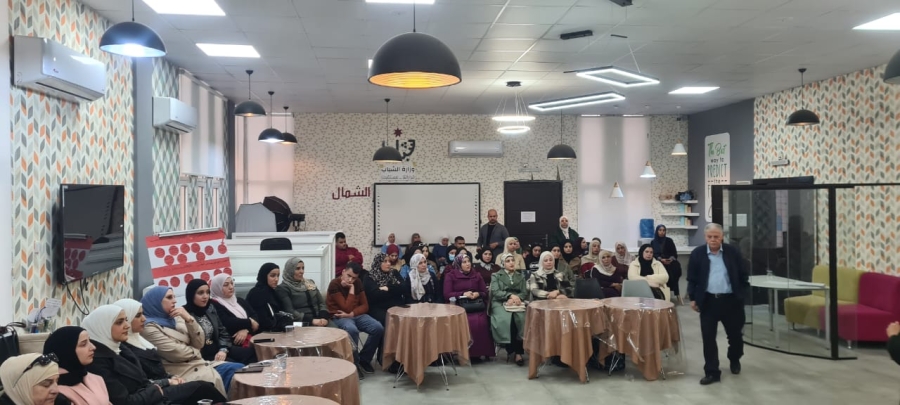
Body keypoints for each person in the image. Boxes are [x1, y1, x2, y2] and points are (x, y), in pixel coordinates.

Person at [82, 305, 226, 405]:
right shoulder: (98, 360)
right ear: (103, 327)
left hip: (153, 393)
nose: (127, 325)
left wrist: (165, 382)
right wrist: (159, 389)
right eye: (119, 322)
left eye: (126, 320)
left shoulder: (120, 348)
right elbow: (125, 401)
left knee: (207, 386)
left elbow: (143, 380)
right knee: (203, 388)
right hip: (150, 398)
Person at [139, 287, 232, 395]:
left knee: (235, 370)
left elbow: (199, 342)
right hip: (182, 372)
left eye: (174, 297)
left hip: (198, 364)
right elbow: (177, 353)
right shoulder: (148, 327)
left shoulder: (176, 317)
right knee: (220, 379)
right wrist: (196, 351)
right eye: (169, 297)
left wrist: (189, 319)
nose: (175, 301)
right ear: (156, 302)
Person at [687, 223, 749, 386]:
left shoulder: (732, 252)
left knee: (735, 337)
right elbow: (692, 278)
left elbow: (743, 274)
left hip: (731, 302)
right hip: (708, 302)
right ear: (705, 237)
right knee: (708, 338)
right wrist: (693, 298)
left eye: (716, 236)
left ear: (722, 237)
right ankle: (712, 372)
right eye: (710, 237)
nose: (713, 239)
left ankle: (734, 358)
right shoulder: (698, 254)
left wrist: (742, 294)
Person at [326, 262, 385, 377]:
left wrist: (352, 314)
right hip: (339, 316)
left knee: (378, 328)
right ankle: (354, 363)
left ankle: (364, 359)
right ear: (343, 272)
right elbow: (345, 307)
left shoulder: (357, 283)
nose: (350, 280)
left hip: (354, 314)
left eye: (354, 278)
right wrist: (352, 290)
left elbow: (365, 306)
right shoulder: (334, 284)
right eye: (348, 276)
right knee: (352, 329)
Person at [183, 279, 257, 365]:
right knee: (235, 365)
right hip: (203, 354)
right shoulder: (185, 314)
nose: (205, 296)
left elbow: (223, 332)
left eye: (207, 292)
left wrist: (223, 350)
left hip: (220, 348)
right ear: (191, 294)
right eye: (200, 293)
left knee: (252, 353)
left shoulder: (209, 309)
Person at [443, 254, 494, 361]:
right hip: (459, 306)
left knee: (481, 322)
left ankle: (479, 352)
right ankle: (464, 353)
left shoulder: (476, 275)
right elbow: (447, 294)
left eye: (469, 261)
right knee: (467, 321)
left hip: (476, 305)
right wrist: (463, 294)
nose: (468, 264)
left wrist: (477, 294)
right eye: (464, 262)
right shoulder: (451, 275)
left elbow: (485, 292)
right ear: (458, 264)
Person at [41, 326, 110, 405]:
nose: (93, 347)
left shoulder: (94, 379)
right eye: (83, 344)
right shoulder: (54, 392)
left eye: (89, 341)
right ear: (67, 351)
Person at [490, 253, 527, 366]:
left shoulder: (520, 276)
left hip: (517, 302)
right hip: (500, 302)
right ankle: (512, 350)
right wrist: (509, 296)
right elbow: (495, 292)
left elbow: (524, 292)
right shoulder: (496, 276)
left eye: (512, 260)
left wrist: (517, 298)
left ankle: (518, 352)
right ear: (503, 264)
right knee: (507, 320)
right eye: (508, 261)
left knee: (521, 319)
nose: (511, 263)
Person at [275, 257, 331, 327]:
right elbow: (290, 311)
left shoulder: (310, 282)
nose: (302, 271)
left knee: (338, 331)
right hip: (303, 322)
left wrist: (323, 317)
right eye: (298, 268)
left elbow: (321, 303)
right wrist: (312, 321)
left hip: (320, 319)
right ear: (290, 270)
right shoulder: (283, 288)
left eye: (303, 268)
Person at [209, 274, 260, 343]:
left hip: (251, 337)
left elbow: (255, 316)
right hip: (230, 342)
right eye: (226, 285)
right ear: (217, 287)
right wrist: (250, 322)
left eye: (231, 283)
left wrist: (246, 330)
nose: (231, 287)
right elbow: (228, 322)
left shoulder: (239, 300)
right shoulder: (214, 304)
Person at [245, 263, 284, 332]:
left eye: (278, 276)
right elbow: (262, 319)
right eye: (272, 276)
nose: (276, 279)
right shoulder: (257, 293)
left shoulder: (273, 291)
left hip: (274, 329)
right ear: (264, 276)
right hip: (262, 332)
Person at [651, 225, 684, 304]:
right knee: (663, 271)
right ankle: (664, 293)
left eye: (663, 230)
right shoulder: (653, 242)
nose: (662, 232)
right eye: (660, 230)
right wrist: (661, 259)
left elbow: (674, 253)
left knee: (675, 269)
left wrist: (670, 259)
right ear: (657, 231)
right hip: (659, 262)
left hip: (670, 261)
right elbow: (653, 254)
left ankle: (675, 291)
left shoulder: (669, 241)